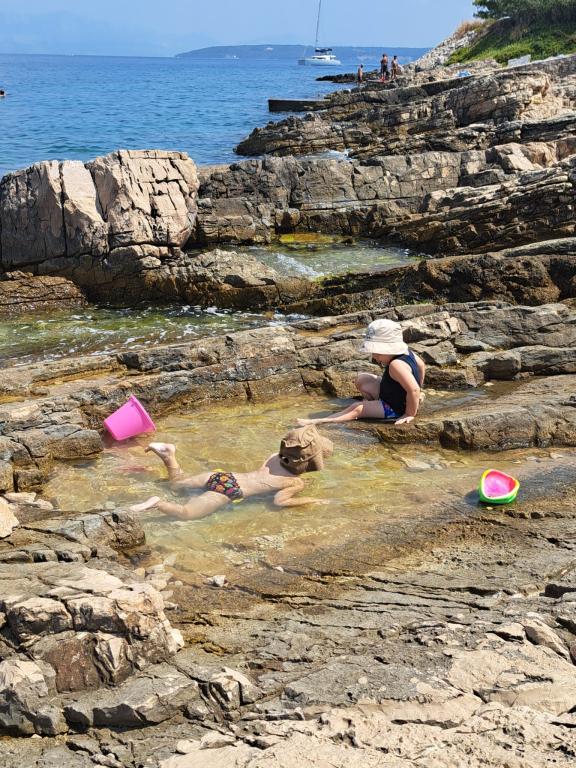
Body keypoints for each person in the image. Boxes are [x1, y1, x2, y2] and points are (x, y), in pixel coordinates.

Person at [129, 425, 333, 520]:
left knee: (175, 485)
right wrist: (312, 500)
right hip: (230, 490)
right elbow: (279, 502)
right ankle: (158, 504)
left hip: (224, 476)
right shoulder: (296, 483)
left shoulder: (274, 456)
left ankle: (168, 454)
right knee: (186, 513)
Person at [296, 318, 425, 428]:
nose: (374, 357)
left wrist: (409, 413)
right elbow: (421, 366)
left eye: (377, 352)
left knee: (357, 408)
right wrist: (419, 389)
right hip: (391, 394)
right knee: (362, 379)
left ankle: (321, 421)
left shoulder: (396, 365)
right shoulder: (407, 352)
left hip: (394, 407)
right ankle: (372, 405)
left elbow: (413, 390)